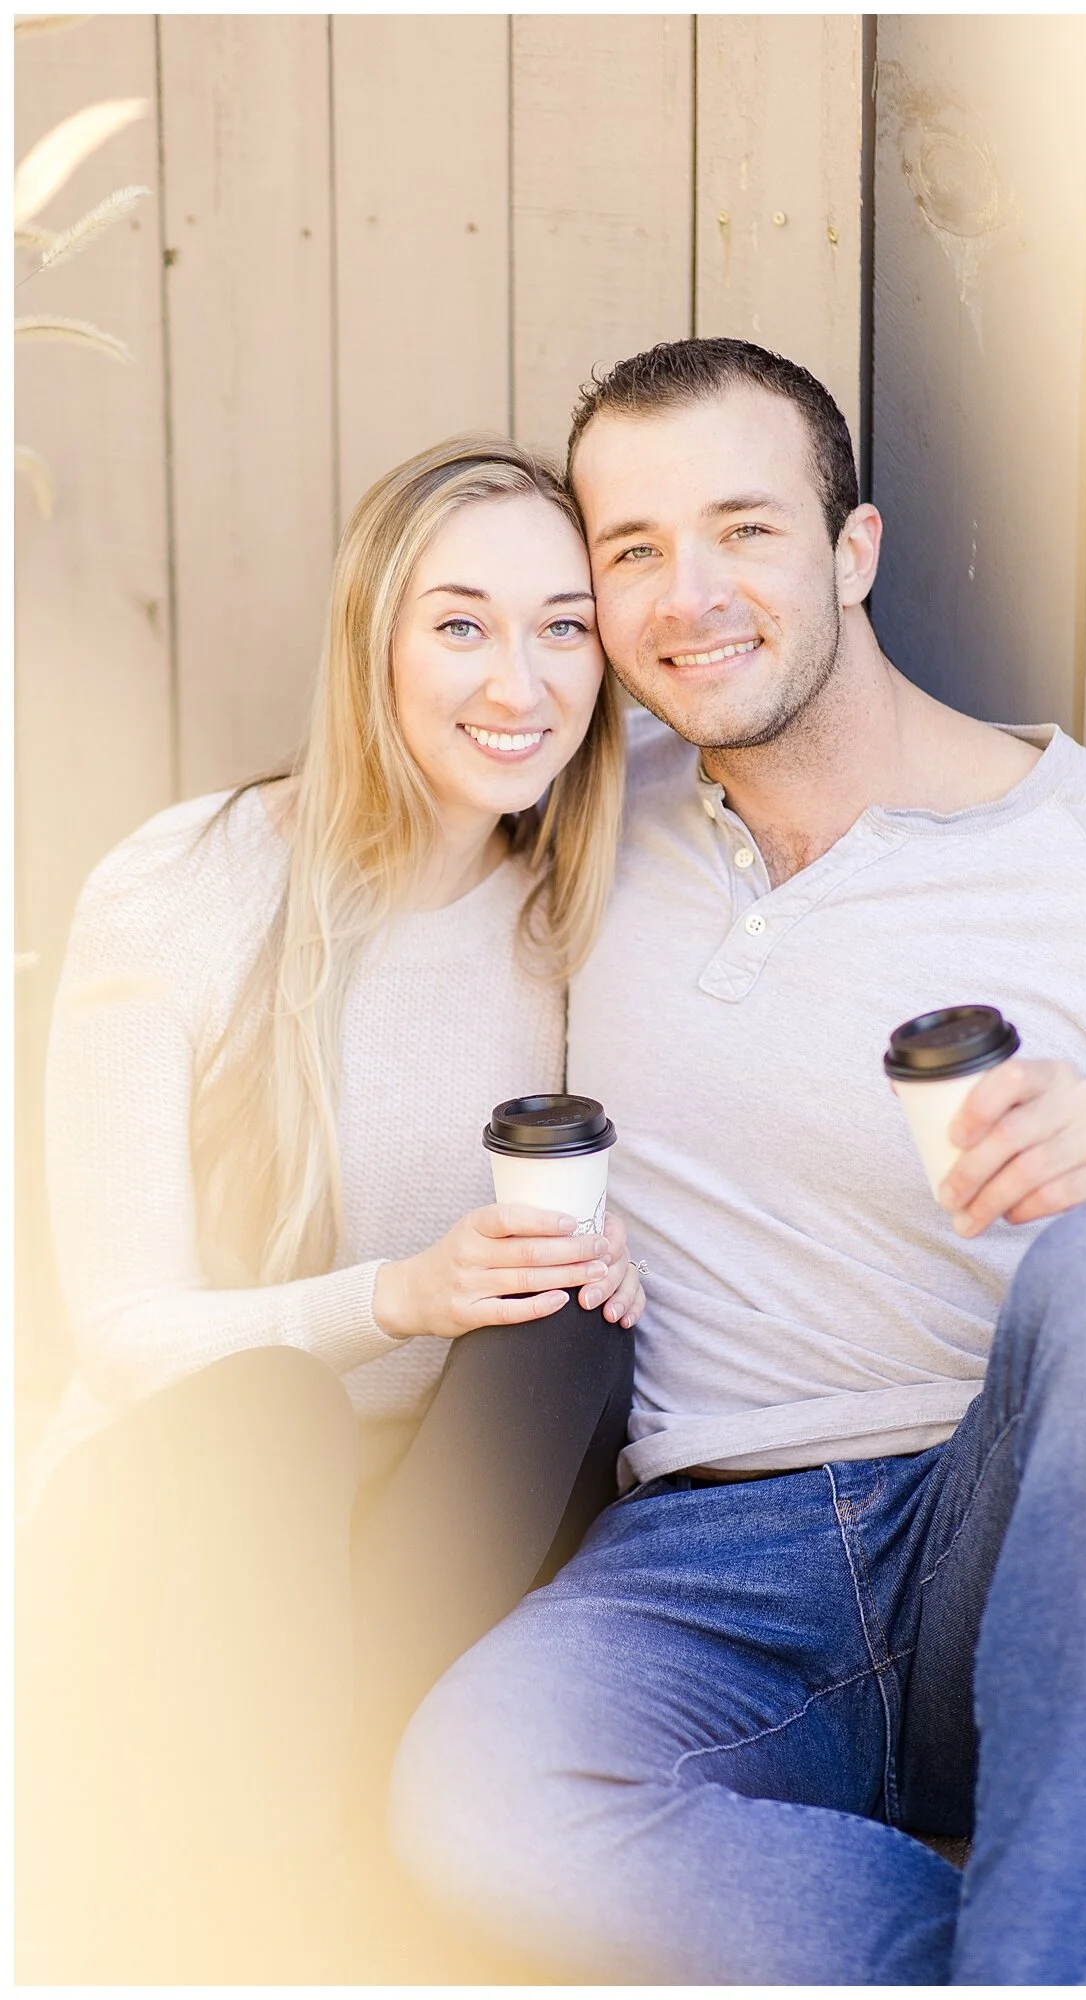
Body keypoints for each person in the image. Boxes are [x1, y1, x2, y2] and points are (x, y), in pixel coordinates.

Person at [389, 342, 1086, 1985]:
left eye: (744, 529)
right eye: (631, 553)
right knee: (477, 1800)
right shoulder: (590, 825)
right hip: (705, 1559)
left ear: (853, 551)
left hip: (1014, 1541)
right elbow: (343, 864)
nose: (688, 597)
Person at [15, 436, 648, 1982]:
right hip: (187, 1518)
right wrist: (394, 1295)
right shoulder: (186, 883)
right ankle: (302, 1894)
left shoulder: (586, 915)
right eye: (461, 623)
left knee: (566, 1332)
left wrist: (601, 1269)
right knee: (278, 1411)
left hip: (431, 1556)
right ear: (373, 641)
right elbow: (121, 1338)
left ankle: (302, 1874)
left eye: (565, 625)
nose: (522, 681)